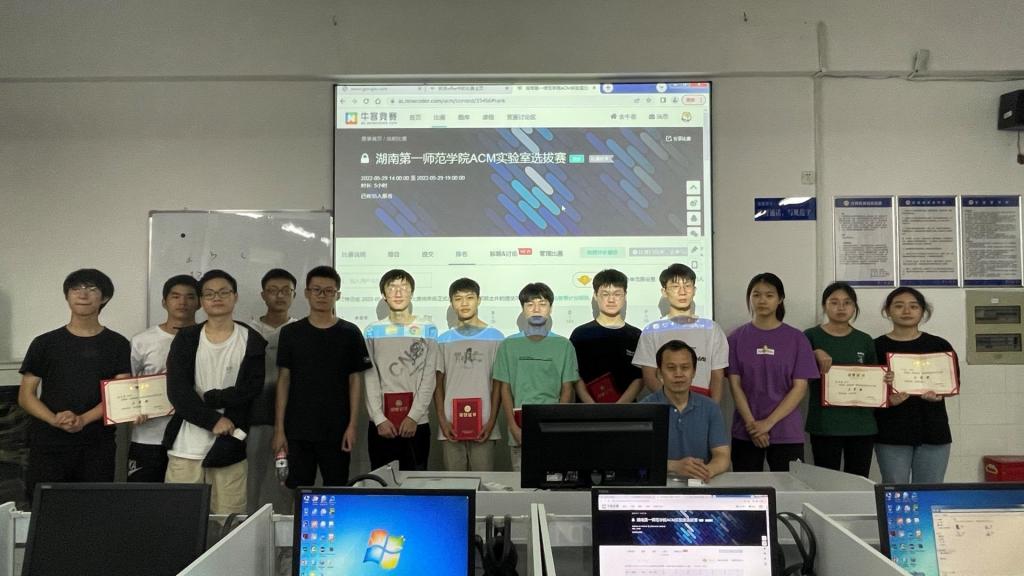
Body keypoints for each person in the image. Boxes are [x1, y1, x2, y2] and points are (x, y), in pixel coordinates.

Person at [18, 269, 131, 502]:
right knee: (45, 508)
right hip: (48, 444)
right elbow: (26, 396)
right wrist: (54, 419)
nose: (83, 294)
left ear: (105, 297)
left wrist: (83, 420)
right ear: (67, 296)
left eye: (92, 289)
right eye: (76, 289)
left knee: (92, 509)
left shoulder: (117, 344)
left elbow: (119, 396)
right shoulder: (44, 343)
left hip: (96, 444)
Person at [163, 269, 266, 515]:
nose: (216, 298)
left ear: (235, 296)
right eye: (209, 294)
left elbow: (251, 388)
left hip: (230, 446)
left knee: (228, 520)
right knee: (181, 519)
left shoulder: (251, 340)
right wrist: (213, 420)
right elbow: (177, 390)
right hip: (186, 447)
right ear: (201, 301)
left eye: (223, 292)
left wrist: (214, 398)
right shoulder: (187, 338)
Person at [273, 266, 371, 488]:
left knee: (336, 488)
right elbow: (283, 380)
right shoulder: (291, 333)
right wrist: (279, 429)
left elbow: (355, 380)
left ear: (338, 295)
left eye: (329, 291)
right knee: (299, 489)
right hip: (297, 428)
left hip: (337, 428)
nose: (322, 295)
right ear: (307, 293)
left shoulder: (350, 332)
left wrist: (352, 425)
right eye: (316, 290)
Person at [728, 273, 818, 472]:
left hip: (786, 431)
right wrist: (753, 426)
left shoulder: (797, 339)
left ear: (780, 299)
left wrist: (767, 424)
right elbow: (735, 385)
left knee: (790, 488)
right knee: (746, 489)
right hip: (746, 430)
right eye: (756, 295)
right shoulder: (736, 338)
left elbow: (799, 388)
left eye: (769, 295)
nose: (762, 300)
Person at [874, 287, 956, 484]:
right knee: (895, 490)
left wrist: (940, 394)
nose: (906, 311)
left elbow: (952, 384)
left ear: (922, 311)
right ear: (888, 310)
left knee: (930, 490)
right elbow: (868, 389)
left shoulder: (939, 345)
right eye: (899, 306)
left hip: (933, 429)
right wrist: (887, 397)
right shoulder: (875, 346)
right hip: (891, 430)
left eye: (913, 306)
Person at [494, 282, 578, 471]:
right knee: (521, 483)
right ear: (523, 309)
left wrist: (556, 425)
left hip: (552, 426)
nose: (536, 309)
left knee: (553, 480)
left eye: (542, 303)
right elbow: (505, 389)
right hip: (519, 428)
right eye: (530, 304)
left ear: (551, 308)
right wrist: (513, 427)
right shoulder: (508, 345)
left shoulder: (564, 345)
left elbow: (567, 389)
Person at [363, 269, 439, 471]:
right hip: (382, 425)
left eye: (404, 287)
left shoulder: (428, 329)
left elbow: (429, 378)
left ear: (412, 293)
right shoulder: (372, 330)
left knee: (416, 483)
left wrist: (413, 416)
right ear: (383, 294)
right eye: (392, 287)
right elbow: (370, 377)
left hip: (416, 424)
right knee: (381, 482)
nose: (398, 292)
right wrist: (379, 419)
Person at [127, 274, 200, 482]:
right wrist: (133, 409)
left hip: (193, 438)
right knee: (144, 497)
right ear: (164, 302)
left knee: (185, 498)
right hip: (148, 436)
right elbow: (127, 385)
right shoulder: (142, 341)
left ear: (199, 303)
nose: (182, 302)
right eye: (175, 296)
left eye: (190, 297)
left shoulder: (208, 339)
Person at [804, 282, 878, 478]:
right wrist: (814, 353)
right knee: (826, 482)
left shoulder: (864, 340)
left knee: (859, 482)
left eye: (847, 302)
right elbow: (797, 373)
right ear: (824, 306)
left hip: (861, 424)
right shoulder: (810, 336)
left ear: (854, 307)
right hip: (825, 423)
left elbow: (875, 378)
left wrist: (886, 379)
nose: (841, 307)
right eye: (834, 302)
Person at [434, 278, 504, 471]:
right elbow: (437, 384)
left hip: (485, 424)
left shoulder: (496, 337)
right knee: (455, 483)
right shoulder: (443, 340)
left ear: (479, 300)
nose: (464, 303)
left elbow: (498, 384)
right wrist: (442, 421)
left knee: (485, 482)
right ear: (451, 303)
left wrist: (491, 421)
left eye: (470, 298)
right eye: (458, 299)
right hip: (450, 425)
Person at [633, 263, 728, 402]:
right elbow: (649, 376)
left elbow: (717, 377)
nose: (682, 292)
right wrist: (676, 403)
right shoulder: (651, 331)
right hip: (666, 406)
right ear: (664, 291)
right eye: (675, 286)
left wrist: (711, 409)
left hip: (702, 405)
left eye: (687, 286)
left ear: (694, 290)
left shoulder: (712, 329)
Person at [641, 340, 730, 481]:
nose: (679, 374)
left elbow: (722, 455)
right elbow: (636, 458)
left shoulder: (710, 407)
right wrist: (674, 466)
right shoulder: (644, 409)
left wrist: (705, 472)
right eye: (671, 368)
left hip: (700, 484)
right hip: (659, 485)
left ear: (693, 372)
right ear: (659, 373)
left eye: (685, 367)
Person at [246, 268, 297, 513]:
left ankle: (285, 532)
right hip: (253, 416)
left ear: (295, 295)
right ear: (263, 295)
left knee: (285, 482)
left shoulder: (300, 330)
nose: (280, 295)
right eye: (273, 290)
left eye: (286, 290)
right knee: (251, 480)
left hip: (292, 420)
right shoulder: (246, 330)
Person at [570, 269, 643, 404]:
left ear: (625, 295)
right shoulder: (580, 334)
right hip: (587, 410)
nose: (611, 300)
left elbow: (639, 378)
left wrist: (619, 407)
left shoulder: (636, 335)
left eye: (617, 294)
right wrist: (591, 405)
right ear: (595, 295)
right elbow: (574, 374)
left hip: (626, 411)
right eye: (605, 294)